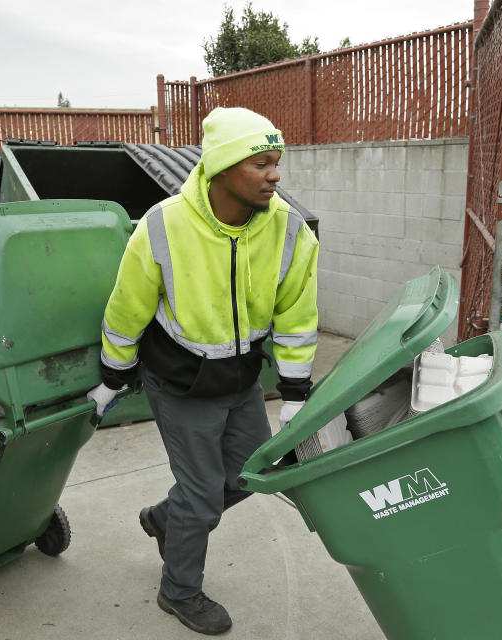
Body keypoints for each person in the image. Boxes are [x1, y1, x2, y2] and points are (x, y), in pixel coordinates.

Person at [87, 106, 319, 635]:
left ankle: (164, 521)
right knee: (200, 495)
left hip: (240, 380)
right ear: (221, 167)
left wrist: (296, 390)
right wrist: (112, 378)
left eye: (276, 161)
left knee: (248, 478)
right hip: (178, 381)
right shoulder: (163, 225)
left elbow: (297, 315)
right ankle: (179, 591)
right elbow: (127, 311)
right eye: (260, 162)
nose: (274, 175)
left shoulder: (289, 231)